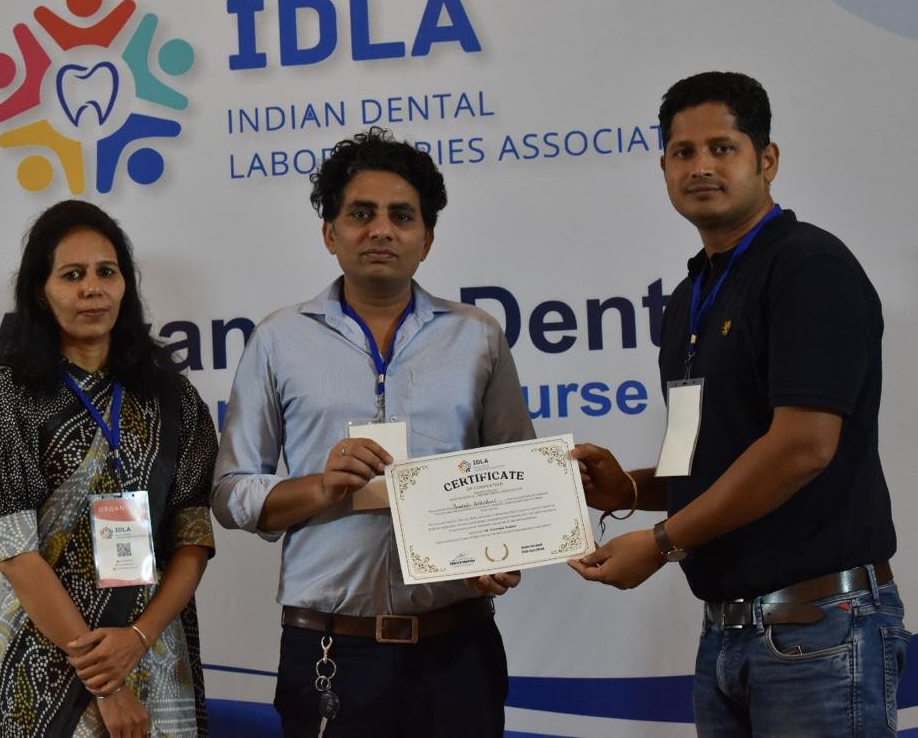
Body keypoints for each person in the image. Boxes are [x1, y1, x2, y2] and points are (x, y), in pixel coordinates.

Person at [569, 71, 904, 735]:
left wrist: (660, 543)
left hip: (819, 632)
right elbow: (707, 458)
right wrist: (629, 489)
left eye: (722, 148)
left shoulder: (809, 267)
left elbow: (802, 448)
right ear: (663, 167)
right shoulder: (690, 296)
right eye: (683, 152)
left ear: (767, 160)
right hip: (727, 635)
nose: (701, 167)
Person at [211, 128, 535, 737]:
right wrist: (320, 486)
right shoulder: (278, 340)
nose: (381, 230)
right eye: (361, 214)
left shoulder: (478, 336)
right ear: (330, 233)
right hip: (330, 648)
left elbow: (518, 478)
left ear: (427, 239)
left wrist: (505, 551)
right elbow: (230, 493)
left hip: (458, 647)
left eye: (401, 216)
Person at [0, 200, 218, 738]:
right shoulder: (10, 395)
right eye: (72, 275)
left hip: (155, 653)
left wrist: (138, 638)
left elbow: (193, 540)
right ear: (41, 291)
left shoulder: (173, 398)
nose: (92, 288)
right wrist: (106, 684)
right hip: (51, 664)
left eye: (106, 272)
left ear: (125, 285)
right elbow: (16, 554)